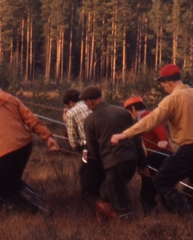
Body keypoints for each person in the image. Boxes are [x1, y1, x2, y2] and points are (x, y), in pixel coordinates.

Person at [111, 64, 193, 216]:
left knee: (160, 181)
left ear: (169, 82)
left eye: (163, 85)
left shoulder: (173, 99)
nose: (164, 89)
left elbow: (151, 120)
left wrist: (124, 135)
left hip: (191, 149)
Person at [0, 69, 60, 212]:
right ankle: (41, 206)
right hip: (23, 145)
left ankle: (13, 213)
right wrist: (48, 137)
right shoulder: (11, 98)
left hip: (1, 150)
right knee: (13, 181)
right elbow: (31, 119)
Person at [80, 86, 141, 219]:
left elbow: (92, 147)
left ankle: (129, 226)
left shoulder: (90, 120)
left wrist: (102, 163)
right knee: (106, 192)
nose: (86, 106)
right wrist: (142, 164)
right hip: (131, 161)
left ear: (91, 102)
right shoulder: (123, 112)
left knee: (118, 201)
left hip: (114, 163)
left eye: (86, 103)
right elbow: (136, 137)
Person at [123, 95, 170, 215]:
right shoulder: (144, 118)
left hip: (157, 155)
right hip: (161, 155)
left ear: (133, 109)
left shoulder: (146, 115)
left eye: (128, 112)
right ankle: (171, 213)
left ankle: (151, 216)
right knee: (161, 187)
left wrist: (163, 140)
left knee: (147, 191)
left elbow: (159, 127)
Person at [62, 88, 91, 155]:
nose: (66, 109)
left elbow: (73, 142)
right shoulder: (90, 105)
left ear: (71, 103)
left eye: (66, 106)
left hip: (88, 148)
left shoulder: (71, 113)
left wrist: (66, 122)